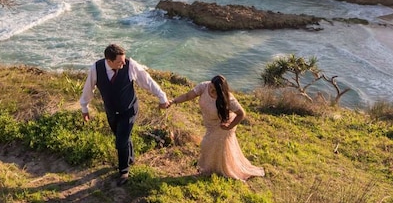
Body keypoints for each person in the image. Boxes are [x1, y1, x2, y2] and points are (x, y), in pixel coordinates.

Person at [79, 43, 169, 186]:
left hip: (129, 110)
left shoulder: (130, 65)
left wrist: (162, 97)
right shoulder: (96, 68)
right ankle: (130, 158)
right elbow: (88, 89)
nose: (123, 63)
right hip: (111, 111)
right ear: (109, 61)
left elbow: (147, 81)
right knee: (122, 136)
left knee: (121, 141)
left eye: (124, 60)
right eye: (119, 62)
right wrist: (84, 108)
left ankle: (124, 172)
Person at [168, 74, 265, 181]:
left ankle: (211, 170)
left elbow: (241, 114)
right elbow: (187, 96)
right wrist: (173, 101)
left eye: (214, 90)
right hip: (210, 125)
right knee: (216, 148)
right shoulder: (203, 87)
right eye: (210, 87)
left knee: (207, 144)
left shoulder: (228, 98)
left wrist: (229, 126)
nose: (211, 90)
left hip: (224, 125)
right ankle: (215, 169)